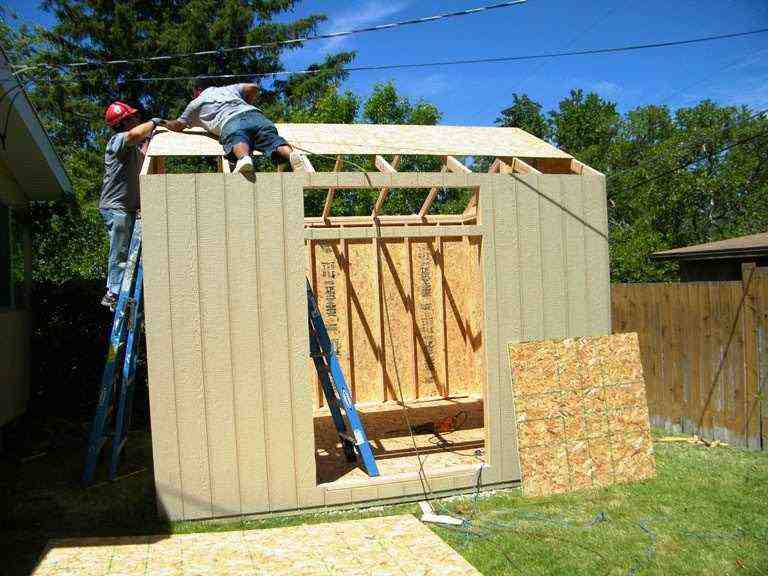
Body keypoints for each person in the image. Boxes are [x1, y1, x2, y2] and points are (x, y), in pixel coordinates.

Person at [162, 78, 301, 174]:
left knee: (237, 137)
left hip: (231, 121)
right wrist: (248, 104)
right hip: (257, 116)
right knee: (273, 140)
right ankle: (293, 156)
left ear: (198, 90)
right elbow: (253, 87)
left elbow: (178, 125)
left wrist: (161, 122)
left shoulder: (196, 103)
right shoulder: (229, 89)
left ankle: (244, 158)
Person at [99, 101, 161, 311]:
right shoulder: (117, 140)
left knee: (129, 253)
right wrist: (154, 122)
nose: (137, 119)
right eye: (133, 118)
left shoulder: (132, 149)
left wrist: (152, 138)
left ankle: (123, 291)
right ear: (124, 122)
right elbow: (135, 136)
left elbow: (143, 152)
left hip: (127, 208)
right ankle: (113, 292)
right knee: (121, 251)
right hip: (116, 207)